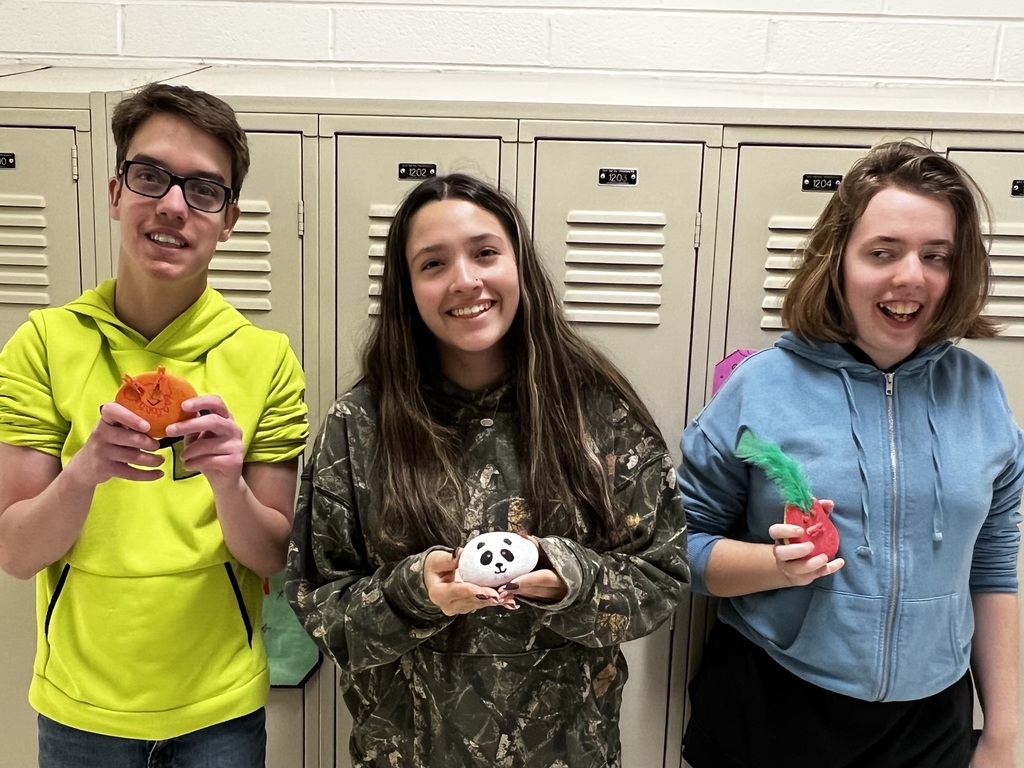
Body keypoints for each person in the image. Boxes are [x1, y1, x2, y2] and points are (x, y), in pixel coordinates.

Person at [286, 172, 689, 767]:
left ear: (518, 265)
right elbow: (319, 604)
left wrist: (567, 578)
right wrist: (413, 594)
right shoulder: (360, 424)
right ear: (408, 288)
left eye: (484, 253)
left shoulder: (600, 413)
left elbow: (661, 578)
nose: (465, 281)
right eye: (433, 264)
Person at [679, 140, 1023, 768]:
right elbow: (681, 548)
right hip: (774, 704)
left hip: (930, 720)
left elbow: (994, 570)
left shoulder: (981, 394)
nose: (911, 276)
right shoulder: (760, 388)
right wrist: (775, 567)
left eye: (935, 256)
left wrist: (1003, 733)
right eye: (883, 252)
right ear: (838, 261)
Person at [0, 83, 308, 767]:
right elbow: (17, 552)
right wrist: (85, 471)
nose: (173, 205)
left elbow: (273, 556)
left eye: (204, 190)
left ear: (227, 220)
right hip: (80, 710)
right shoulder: (43, 344)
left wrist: (229, 484)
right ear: (115, 193)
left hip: (219, 710)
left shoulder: (267, 360)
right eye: (151, 177)